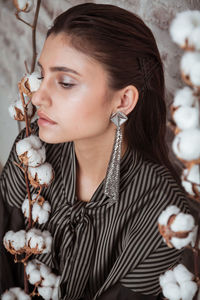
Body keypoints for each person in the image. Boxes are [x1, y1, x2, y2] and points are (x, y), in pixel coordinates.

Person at [0, 3, 191, 300]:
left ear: (124, 100)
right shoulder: (32, 148)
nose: (38, 96)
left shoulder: (164, 215)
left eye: (65, 82)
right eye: (43, 74)